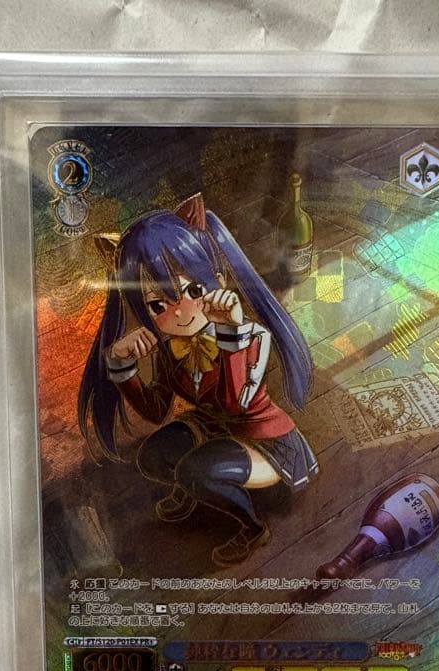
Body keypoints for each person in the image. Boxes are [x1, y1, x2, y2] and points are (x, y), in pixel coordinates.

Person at [78, 193, 318, 566]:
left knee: (195, 470)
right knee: (153, 456)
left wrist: (230, 334)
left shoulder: (251, 336)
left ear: (217, 281)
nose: (180, 312)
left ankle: (253, 528)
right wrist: (122, 366)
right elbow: (156, 410)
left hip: (267, 442)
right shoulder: (169, 348)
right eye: (158, 305)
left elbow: (235, 402)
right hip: (213, 429)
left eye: (192, 291)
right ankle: (194, 490)